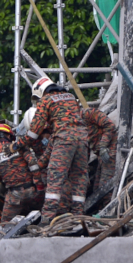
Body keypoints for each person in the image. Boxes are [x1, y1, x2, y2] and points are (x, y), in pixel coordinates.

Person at [16, 77, 90, 221]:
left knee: (55, 176)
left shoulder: (46, 100)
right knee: (80, 176)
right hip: (82, 138)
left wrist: (16, 145)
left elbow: (33, 133)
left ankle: (47, 219)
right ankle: (78, 215)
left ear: (41, 90)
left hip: (64, 139)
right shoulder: (70, 97)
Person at [0, 122, 43, 222]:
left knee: (5, 226)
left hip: (14, 197)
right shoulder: (20, 148)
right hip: (32, 191)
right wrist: (39, 185)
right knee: (45, 216)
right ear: (9, 135)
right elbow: (33, 163)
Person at [83, 107, 118, 194]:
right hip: (101, 156)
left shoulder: (89, 113)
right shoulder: (73, 126)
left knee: (105, 188)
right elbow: (84, 147)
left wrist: (103, 146)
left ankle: (112, 207)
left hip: (111, 150)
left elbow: (110, 125)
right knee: (96, 190)